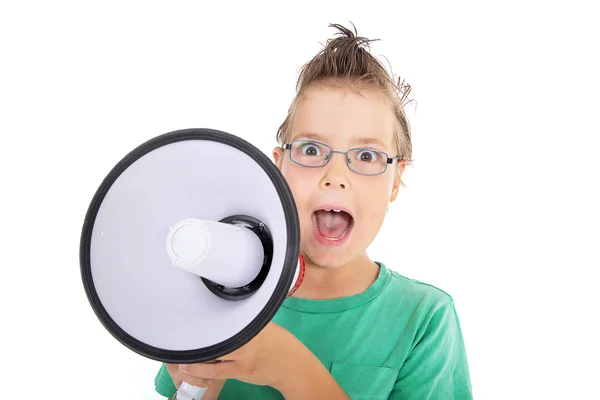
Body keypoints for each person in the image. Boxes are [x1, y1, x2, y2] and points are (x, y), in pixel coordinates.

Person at [154, 23, 473, 399]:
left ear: (395, 183)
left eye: (367, 156)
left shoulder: (424, 319)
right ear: (276, 170)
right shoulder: (219, 288)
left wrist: (293, 371)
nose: (335, 176)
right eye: (310, 150)